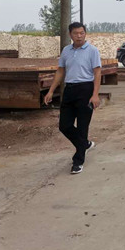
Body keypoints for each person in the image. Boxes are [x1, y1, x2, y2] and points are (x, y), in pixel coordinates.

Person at [44, 22, 102, 175]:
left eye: (82, 33)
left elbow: (97, 73)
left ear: (85, 33)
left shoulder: (92, 51)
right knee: (64, 125)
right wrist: (51, 91)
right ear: (70, 34)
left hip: (86, 90)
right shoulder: (66, 50)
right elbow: (60, 71)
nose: (79, 36)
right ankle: (85, 144)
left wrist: (95, 94)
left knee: (82, 127)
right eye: (76, 33)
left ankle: (78, 161)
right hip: (69, 90)